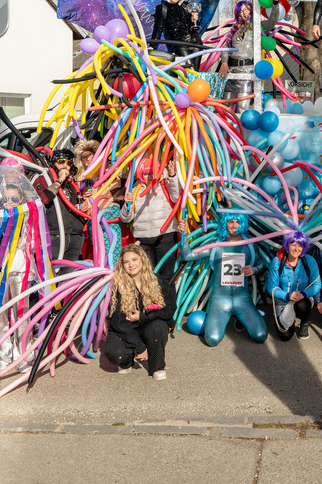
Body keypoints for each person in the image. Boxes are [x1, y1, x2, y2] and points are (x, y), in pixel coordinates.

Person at [182, 213, 267, 346]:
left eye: (237, 222)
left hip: (243, 299)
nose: (234, 225)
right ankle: (237, 319)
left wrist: (254, 270)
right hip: (219, 301)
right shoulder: (215, 244)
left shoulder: (249, 244)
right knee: (212, 339)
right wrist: (184, 234)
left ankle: (242, 318)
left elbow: (262, 265)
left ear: (242, 223)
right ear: (225, 224)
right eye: (230, 222)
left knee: (261, 336)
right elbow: (188, 255)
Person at [120, 156, 181, 315]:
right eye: (146, 173)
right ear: (140, 174)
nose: (149, 176)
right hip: (143, 239)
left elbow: (177, 196)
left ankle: (169, 314)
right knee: (147, 278)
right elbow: (126, 218)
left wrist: (173, 176)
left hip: (165, 237)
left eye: (152, 173)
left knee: (167, 277)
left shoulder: (165, 185)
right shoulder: (134, 190)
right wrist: (127, 205)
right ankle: (150, 314)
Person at [0, 183, 39, 372]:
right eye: (6, 199)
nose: (10, 203)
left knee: (21, 315)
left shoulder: (29, 219)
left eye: (15, 199)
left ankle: (24, 357)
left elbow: (35, 245)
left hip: (21, 270)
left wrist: (22, 236)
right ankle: (1, 357)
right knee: (0, 316)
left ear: (22, 200)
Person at [103, 244, 170, 378]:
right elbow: (118, 322)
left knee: (158, 327)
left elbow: (168, 311)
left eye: (134, 259)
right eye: (126, 262)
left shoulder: (158, 281)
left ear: (142, 260)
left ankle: (157, 366)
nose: (131, 264)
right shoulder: (118, 285)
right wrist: (140, 347)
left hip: (148, 326)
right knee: (115, 353)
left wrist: (142, 317)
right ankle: (128, 359)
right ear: (122, 265)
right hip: (125, 329)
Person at [267, 232, 321, 341]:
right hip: (283, 300)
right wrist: (287, 296)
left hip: (302, 299)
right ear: (287, 245)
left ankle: (304, 323)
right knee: (285, 336)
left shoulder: (310, 261)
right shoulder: (277, 262)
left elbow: (317, 284)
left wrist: (303, 294)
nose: (297, 249)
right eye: (293, 244)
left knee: (302, 305)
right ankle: (285, 318)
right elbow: (271, 287)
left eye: (300, 245)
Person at [39, 148, 85, 262]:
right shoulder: (44, 178)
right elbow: (44, 199)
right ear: (53, 163)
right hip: (56, 235)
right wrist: (59, 180)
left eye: (69, 163)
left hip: (75, 235)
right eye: (61, 162)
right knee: (53, 274)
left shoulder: (71, 183)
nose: (65, 166)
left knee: (70, 275)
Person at [151, 0, 202, 69]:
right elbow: (158, 29)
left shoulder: (185, 5)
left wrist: (194, 20)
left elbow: (195, 28)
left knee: (196, 72)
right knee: (191, 72)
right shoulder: (162, 8)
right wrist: (152, 46)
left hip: (196, 43)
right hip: (180, 46)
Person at [218, 0, 255, 110]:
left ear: (251, 10)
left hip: (247, 71)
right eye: (241, 11)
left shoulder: (258, 29)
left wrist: (275, 2)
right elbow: (226, 46)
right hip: (231, 71)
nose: (244, 13)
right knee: (226, 107)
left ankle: (242, 128)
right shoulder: (234, 30)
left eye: (246, 10)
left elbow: (272, 21)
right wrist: (224, 62)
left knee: (242, 107)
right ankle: (225, 127)